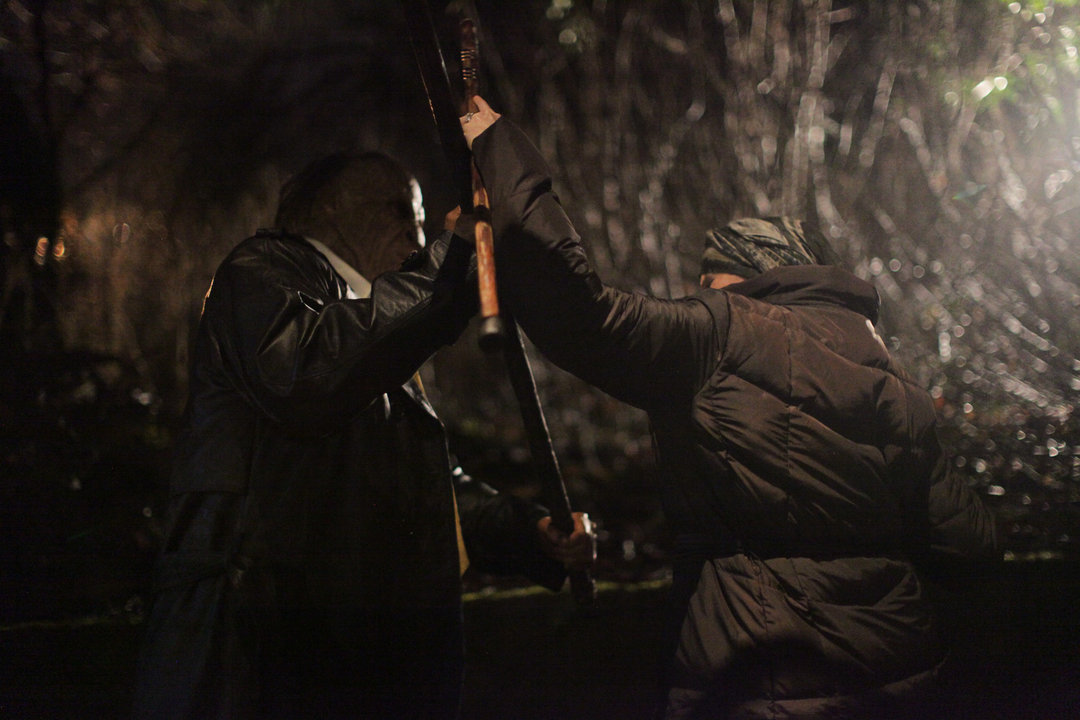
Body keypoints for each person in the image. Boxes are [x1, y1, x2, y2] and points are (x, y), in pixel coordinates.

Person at [461, 97, 999, 719]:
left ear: (745, 278)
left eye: (707, 281)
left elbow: (581, 314)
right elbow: (971, 547)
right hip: (903, 675)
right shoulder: (894, 378)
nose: (697, 294)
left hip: (760, 681)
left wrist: (500, 151)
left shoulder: (721, 331)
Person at [131, 150, 594, 720]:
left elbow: (421, 488)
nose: (417, 234)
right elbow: (304, 377)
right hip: (254, 661)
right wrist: (448, 266)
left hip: (331, 660)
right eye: (401, 211)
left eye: (420, 220)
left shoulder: (375, 325)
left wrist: (530, 532)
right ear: (332, 207)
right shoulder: (260, 273)